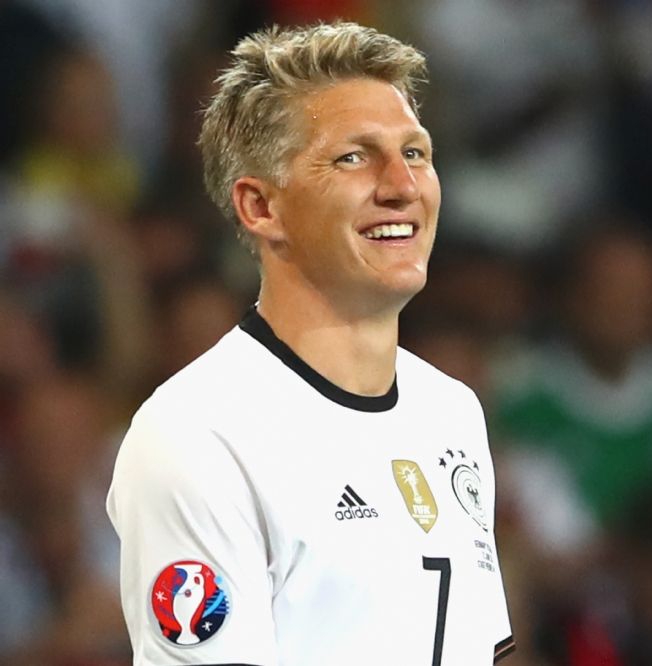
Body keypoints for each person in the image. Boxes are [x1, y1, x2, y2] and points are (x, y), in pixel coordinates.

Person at [106, 22, 514, 665]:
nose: (403, 186)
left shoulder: (452, 412)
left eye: (415, 153)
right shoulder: (197, 436)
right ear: (260, 208)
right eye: (353, 157)